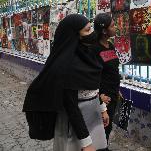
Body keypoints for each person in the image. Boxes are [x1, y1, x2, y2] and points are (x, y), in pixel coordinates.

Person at [23, 14, 109, 151]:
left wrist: (102, 109)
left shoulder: (88, 54)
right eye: (87, 30)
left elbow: (94, 87)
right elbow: (71, 108)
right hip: (75, 125)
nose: (92, 33)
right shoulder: (66, 66)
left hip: (93, 116)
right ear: (74, 35)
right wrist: (86, 143)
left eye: (91, 28)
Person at [92, 13, 121, 145]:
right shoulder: (94, 49)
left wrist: (117, 89)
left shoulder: (110, 45)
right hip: (103, 98)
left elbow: (113, 71)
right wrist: (99, 97)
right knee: (99, 131)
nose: (116, 28)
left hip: (113, 95)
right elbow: (91, 76)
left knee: (107, 130)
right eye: (113, 26)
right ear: (104, 30)